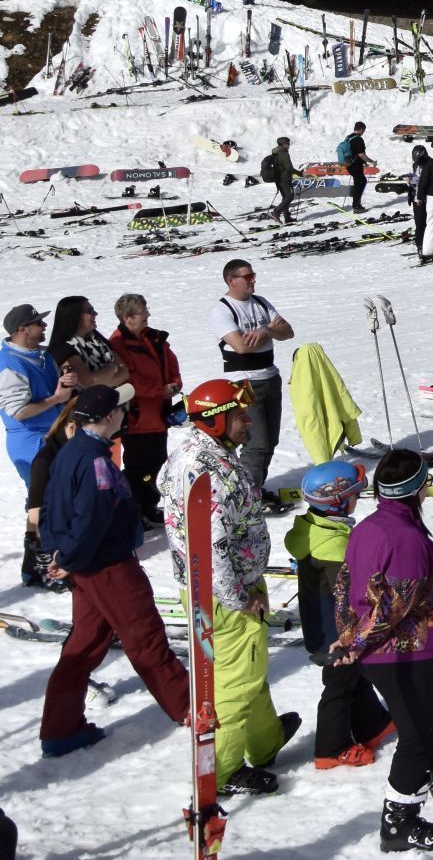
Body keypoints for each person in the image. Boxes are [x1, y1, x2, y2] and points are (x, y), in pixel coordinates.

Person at [35, 386, 191, 758]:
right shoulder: (95, 460)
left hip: (87, 566)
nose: (125, 413)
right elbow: (92, 517)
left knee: (84, 645)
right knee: (145, 636)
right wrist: (69, 556)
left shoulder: (73, 451)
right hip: (107, 565)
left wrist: (60, 553)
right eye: (122, 409)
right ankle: (192, 709)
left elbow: (58, 507)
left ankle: (60, 728)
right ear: (108, 417)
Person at [332, 450, 433, 851]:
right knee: (415, 737)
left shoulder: (368, 527)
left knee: (424, 727)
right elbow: (396, 604)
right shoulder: (407, 539)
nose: (428, 487)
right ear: (415, 489)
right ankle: (399, 825)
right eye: (426, 481)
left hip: (390, 652)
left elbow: (344, 584)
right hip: (410, 653)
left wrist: (347, 633)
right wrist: (355, 642)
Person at [161, 380, 299, 794]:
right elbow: (209, 547)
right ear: (215, 419)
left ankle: (265, 738)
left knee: (248, 668)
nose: (247, 422)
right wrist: (239, 599)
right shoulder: (210, 472)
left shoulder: (199, 453)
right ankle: (220, 772)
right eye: (239, 416)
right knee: (236, 683)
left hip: (228, 588)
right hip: (225, 595)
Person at [284, 462, 395, 770]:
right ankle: (331, 749)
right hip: (335, 631)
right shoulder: (334, 547)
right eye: (356, 494)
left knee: (355, 675)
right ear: (340, 500)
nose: (359, 499)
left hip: (320, 621)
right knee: (340, 682)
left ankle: (372, 724)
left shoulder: (312, 528)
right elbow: (349, 594)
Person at [211, 259, 293, 496]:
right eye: (247, 277)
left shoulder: (261, 303)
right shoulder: (222, 310)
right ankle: (247, 496)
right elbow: (241, 347)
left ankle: (255, 488)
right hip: (244, 382)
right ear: (231, 280)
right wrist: (269, 332)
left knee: (271, 441)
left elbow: (287, 332)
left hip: (270, 377)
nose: (252, 281)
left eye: (253, 275)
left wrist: (266, 331)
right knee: (256, 442)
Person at [107, 293, 180, 525]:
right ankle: (133, 510)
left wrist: (174, 384)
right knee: (138, 467)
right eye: (142, 311)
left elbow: (170, 362)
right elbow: (130, 380)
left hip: (158, 414)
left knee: (158, 462)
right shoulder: (118, 343)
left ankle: (148, 506)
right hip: (136, 417)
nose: (147, 314)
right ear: (128, 317)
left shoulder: (155, 338)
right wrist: (161, 389)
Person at [266, 136, 300, 225]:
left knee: (285, 197)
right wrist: (300, 173)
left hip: (278, 179)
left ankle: (287, 217)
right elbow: (289, 168)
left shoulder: (276, 152)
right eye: (288, 143)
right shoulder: (284, 153)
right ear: (284, 144)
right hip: (285, 179)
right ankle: (276, 212)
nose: (289, 145)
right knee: (290, 197)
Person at [343, 121, 371, 212]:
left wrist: (364, 162)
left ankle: (357, 204)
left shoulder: (348, 137)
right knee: (360, 183)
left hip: (349, 164)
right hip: (356, 166)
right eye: (364, 130)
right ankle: (356, 206)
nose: (364, 133)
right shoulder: (358, 139)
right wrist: (371, 161)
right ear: (361, 129)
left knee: (359, 182)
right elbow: (361, 154)